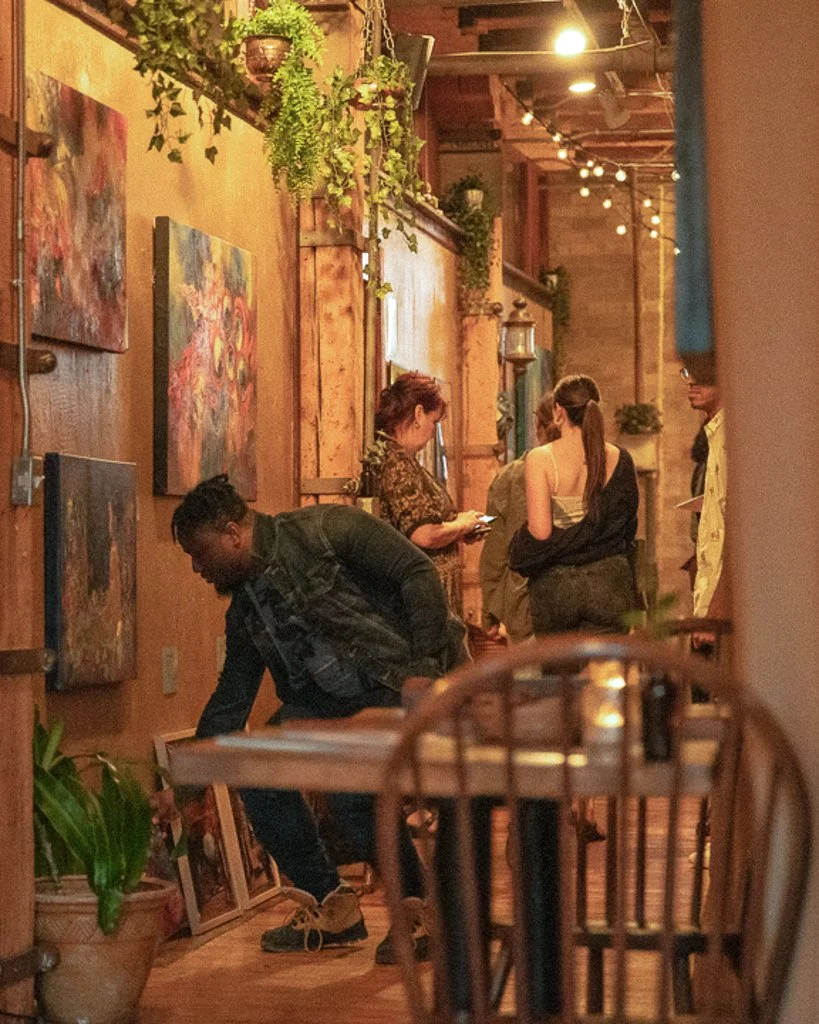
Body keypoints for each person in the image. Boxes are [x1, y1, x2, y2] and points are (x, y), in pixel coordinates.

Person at [168, 474, 467, 961]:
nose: (198, 569)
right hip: (331, 706)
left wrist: (422, 671)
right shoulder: (245, 608)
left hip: (403, 684)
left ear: (231, 532)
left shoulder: (330, 527)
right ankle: (333, 907)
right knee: (257, 762)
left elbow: (419, 575)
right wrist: (187, 781)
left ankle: (419, 908)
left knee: (352, 791)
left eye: (198, 554)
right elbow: (232, 697)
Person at [509, 374, 639, 635]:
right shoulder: (620, 458)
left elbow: (541, 531)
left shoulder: (541, 459)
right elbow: (628, 524)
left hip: (557, 587)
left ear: (558, 411)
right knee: (607, 674)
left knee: (561, 674)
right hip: (609, 583)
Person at [371, 372, 485, 614]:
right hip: (419, 600)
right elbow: (424, 535)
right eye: (434, 422)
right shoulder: (397, 463)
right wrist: (461, 526)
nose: (433, 432)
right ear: (418, 414)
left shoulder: (404, 460)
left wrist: (458, 528)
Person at [479, 393, 559, 645]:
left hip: (526, 608)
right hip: (585, 613)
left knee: (530, 683)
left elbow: (495, 554)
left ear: (537, 427)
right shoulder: (596, 472)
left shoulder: (511, 478)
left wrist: (490, 611)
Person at [681, 360, 728, 622]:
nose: (691, 382)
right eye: (688, 373)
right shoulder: (714, 433)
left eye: (702, 374)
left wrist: (716, 608)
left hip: (722, 609)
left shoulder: (731, 437)